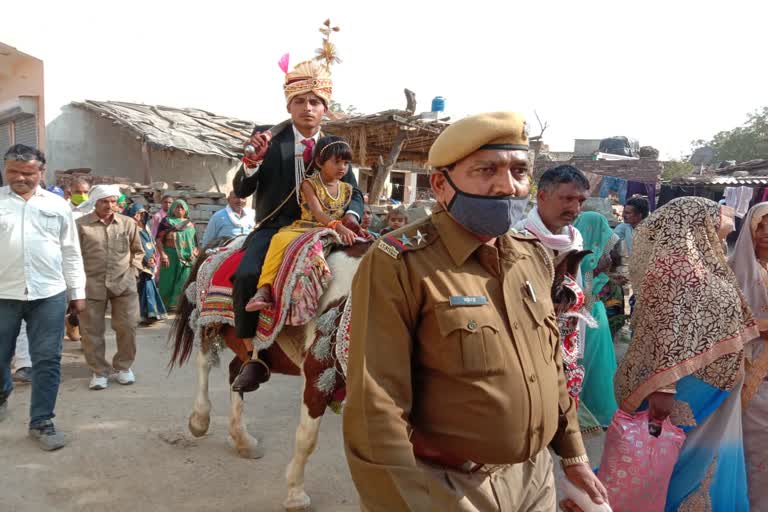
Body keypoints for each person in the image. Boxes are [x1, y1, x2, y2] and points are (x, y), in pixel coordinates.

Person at [343, 112, 607, 512]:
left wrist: (573, 455)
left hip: (534, 478)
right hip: (452, 486)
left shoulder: (532, 254)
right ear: (440, 183)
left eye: (519, 171)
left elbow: (550, 365)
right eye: (486, 170)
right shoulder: (398, 262)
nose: (506, 185)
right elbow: (376, 405)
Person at [615, 196, 756, 511]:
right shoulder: (677, 267)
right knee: (680, 461)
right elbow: (664, 328)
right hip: (688, 385)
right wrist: (664, 387)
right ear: (695, 220)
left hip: (712, 384)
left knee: (703, 458)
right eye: (718, 213)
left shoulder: (705, 260)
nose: (728, 217)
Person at [229, 58, 363, 387]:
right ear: (288, 104)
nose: (307, 107)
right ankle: (252, 357)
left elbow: (356, 193)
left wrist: (350, 216)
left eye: (315, 101)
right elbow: (241, 189)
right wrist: (251, 163)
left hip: (327, 228)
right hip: (275, 229)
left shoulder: (335, 145)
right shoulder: (266, 139)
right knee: (247, 275)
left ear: (325, 108)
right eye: (300, 101)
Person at [0, 144, 86, 450]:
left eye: (27, 172)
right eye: (13, 171)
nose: (20, 178)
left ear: (41, 172)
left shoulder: (57, 205)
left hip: (48, 293)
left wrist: (78, 292)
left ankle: (42, 423)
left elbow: (70, 251)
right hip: (3, 294)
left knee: (47, 359)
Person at [245, 136, 357, 312]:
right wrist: (338, 226)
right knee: (280, 240)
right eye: (336, 162)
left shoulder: (347, 188)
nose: (342, 167)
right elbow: (318, 213)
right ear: (319, 162)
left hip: (334, 230)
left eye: (346, 163)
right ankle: (263, 289)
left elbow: (345, 213)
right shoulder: (309, 184)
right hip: (307, 227)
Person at [518, 165, 590, 401]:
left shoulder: (574, 240)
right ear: (542, 196)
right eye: (567, 198)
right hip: (526, 354)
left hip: (564, 352)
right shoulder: (515, 239)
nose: (575, 208)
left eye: (580, 200)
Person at [77, 185, 145, 390]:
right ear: (94, 202)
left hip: (124, 284)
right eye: (104, 201)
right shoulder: (81, 225)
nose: (109, 205)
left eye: (113, 201)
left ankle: (124, 367)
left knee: (128, 326)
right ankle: (99, 371)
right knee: (91, 331)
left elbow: (138, 251)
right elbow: (73, 256)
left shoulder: (127, 223)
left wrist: (134, 271)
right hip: (91, 285)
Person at [729, 202, 768, 511]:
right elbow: (728, 322)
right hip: (752, 371)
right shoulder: (734, 270)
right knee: (756, 448)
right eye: (760, 227)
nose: (766, 235)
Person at [572, 212, 619, 427]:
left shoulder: (581, 259)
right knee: (590, 363)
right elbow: (584, 295)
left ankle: (587, 411)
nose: (607, 252)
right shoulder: (583, 261)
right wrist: (599, 269)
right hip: (587, 317)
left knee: (596, 364)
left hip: (593, 316)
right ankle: (585, 412)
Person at [124, 204, 168, 326]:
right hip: (136, 263)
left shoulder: (145, 228)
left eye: (142, 213)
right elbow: (131, 247)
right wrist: (144, 259)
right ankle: (146, 314)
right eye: (137, 213)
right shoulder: (128, 228)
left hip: (149, 263)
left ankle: (151, 314)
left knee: (148, 287)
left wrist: (153, 256)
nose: (139, 216)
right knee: (142, 288)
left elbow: (150, 242)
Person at [156, 199, 198, 310]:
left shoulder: (190, 224)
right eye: (176, 207)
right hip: (170, 255)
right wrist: (163, 254)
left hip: (187, 257)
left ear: (186, 210)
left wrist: (194, 252)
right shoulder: (166, 222)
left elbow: (194, 242)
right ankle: (163, 306)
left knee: (183, 280)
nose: (179, 209)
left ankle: (177, 305)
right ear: (172, 209)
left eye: (182, 207)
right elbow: (159, 239)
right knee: (167, 281)